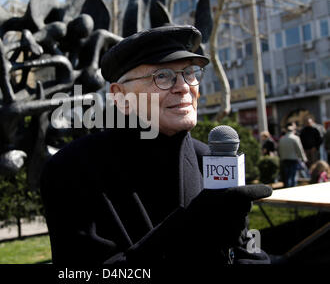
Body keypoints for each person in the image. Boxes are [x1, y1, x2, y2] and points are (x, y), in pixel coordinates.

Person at [40, 25, 272, 265]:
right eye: (162, 76)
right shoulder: (71, 170)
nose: (184, 86)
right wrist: (189, 228)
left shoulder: (210, 161)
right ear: (120, 97)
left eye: (190, 73)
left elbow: (244, 251)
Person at [278, 122, 308, 188]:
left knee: (287, 177)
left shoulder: (281, 139)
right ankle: (292, 189)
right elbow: (299, 149)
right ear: (293, 131)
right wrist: (304, 158)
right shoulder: (295, 138)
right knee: (293, 177)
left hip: (284, 160)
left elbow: (279, 151)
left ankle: (287, 189)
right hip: (293, 160)